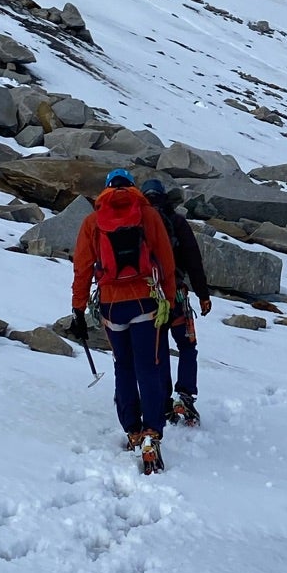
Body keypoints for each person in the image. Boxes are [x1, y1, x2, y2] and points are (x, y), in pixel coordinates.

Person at [71, 169, 177, 473]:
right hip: (145, 300)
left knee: (124, 366)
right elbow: (166, 260)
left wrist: (78, 308)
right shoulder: (147, 215)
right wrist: (168, 301)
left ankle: (132, 429)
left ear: (105, 189)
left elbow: (83, 268)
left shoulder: (93, 221)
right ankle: (151, 434)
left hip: (111, 306)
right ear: (132, 187)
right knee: (149, 365)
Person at [141, 177, 212, 424]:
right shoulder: (177, 222)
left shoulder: (138, 221)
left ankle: (162, 401)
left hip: (147, 296)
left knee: (158, 350)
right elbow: (193, 261)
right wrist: (203, 295)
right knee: (186, 346)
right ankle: (185, 396)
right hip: (177, 294)